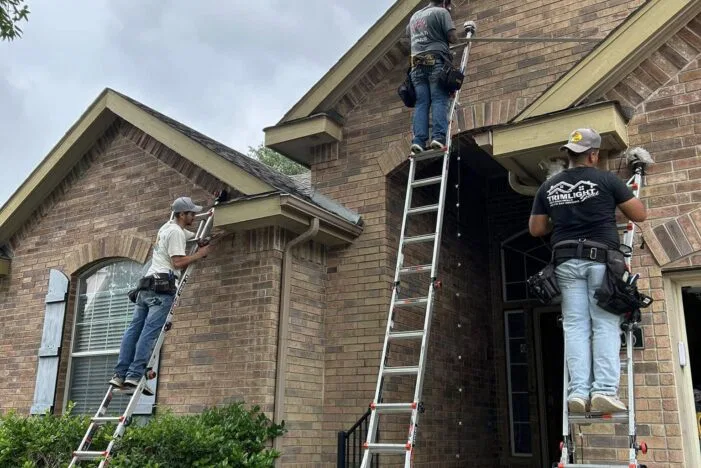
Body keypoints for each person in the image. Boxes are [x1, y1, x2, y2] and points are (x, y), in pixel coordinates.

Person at [529, 129, 647, 413]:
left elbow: (536, 229)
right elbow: (639, 214)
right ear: (593, 155)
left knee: (575, 328)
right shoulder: (607, 180)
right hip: (601, 260)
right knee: (604, 324)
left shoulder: (549, 187)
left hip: (566, 262)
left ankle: (578, 392)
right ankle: (604, 391)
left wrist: (563, 215)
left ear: (568, 153)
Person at [109, 196, 213, 395]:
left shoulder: (166, 228)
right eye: (191, 213)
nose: (194, 216)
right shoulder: (175, 232)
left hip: (146, 287)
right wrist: (200, 254)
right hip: (162, 289)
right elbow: (178, 262)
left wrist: (197, 239)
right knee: (149, 333)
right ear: (182, 214)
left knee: (134, 331)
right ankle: (134, 375)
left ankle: (120, 374)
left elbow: (183, 235)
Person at [407, 0, 458, 155]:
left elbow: (408, 34)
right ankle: (438, 137)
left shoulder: (414, 16)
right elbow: (453, 37)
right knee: (438, 99)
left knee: (422, 103)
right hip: (435, 60)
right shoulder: (441, 12)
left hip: (416, 64)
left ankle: (418, 141)